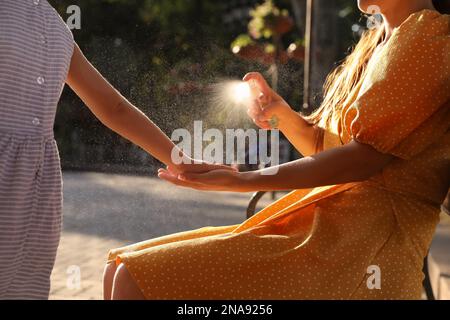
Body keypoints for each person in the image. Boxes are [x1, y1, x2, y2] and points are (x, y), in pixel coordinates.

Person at [106, 0, 450, 300]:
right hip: (328, 235)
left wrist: (243, 180)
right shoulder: (376, 41)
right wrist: (281, 114)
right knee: (119, 269)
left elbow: (363, 159)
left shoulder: (428, 37)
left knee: (134, 279)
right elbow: (328, 148)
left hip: (362, 252)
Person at [0, 0, 229, 300]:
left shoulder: (54, 24)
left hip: (37, 187)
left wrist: (180, 161)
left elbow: (114, 107)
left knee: (23, 288)